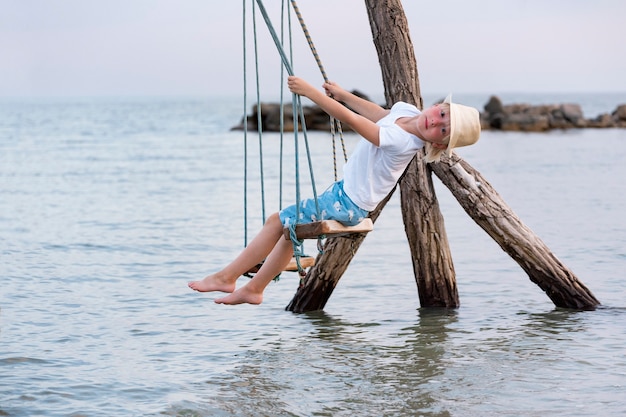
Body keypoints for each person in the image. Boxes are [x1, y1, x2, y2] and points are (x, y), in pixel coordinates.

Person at [188, 75, 481, 305]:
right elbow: (378, 112)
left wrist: (312, 95)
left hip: (348, 205)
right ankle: (252, 288)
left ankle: (230, 278)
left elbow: (354, 121)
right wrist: (342, 95)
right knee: (289, 229)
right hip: (344, 196)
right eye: (442, 113)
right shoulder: (407, 112)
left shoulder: (402, 142)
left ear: (439, 145)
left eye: (443, 129)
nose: (436, 121)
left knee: (278, 221)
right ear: (438, 105)